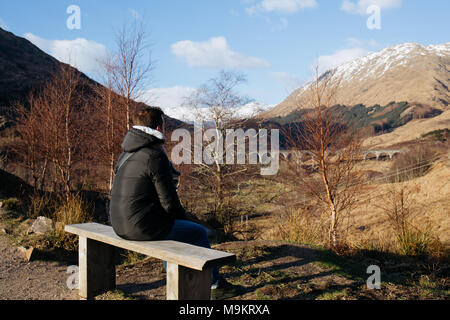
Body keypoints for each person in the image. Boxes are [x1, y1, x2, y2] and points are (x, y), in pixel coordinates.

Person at [109, 107, 238, 296]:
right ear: (159, 127)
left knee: (170, 229)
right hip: (139, 227)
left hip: (118, 225)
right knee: (197, 232)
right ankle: (215, 286)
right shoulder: (154, 155)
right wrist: (183, 218)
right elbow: (169, 203)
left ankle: (177, 272)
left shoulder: (126, 153)